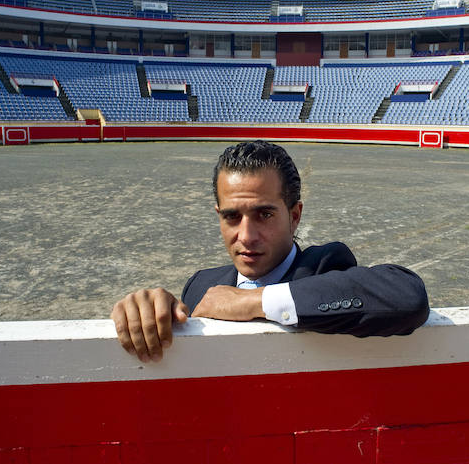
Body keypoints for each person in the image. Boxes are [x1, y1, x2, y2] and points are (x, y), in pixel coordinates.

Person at [111, 140, 430, 362]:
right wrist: (152, 311)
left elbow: (406, 296)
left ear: (294, 216)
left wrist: (251, 301)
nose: (246, 236)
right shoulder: (200, 285)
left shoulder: (326, 266)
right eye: (231, 216)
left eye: (264, 215)